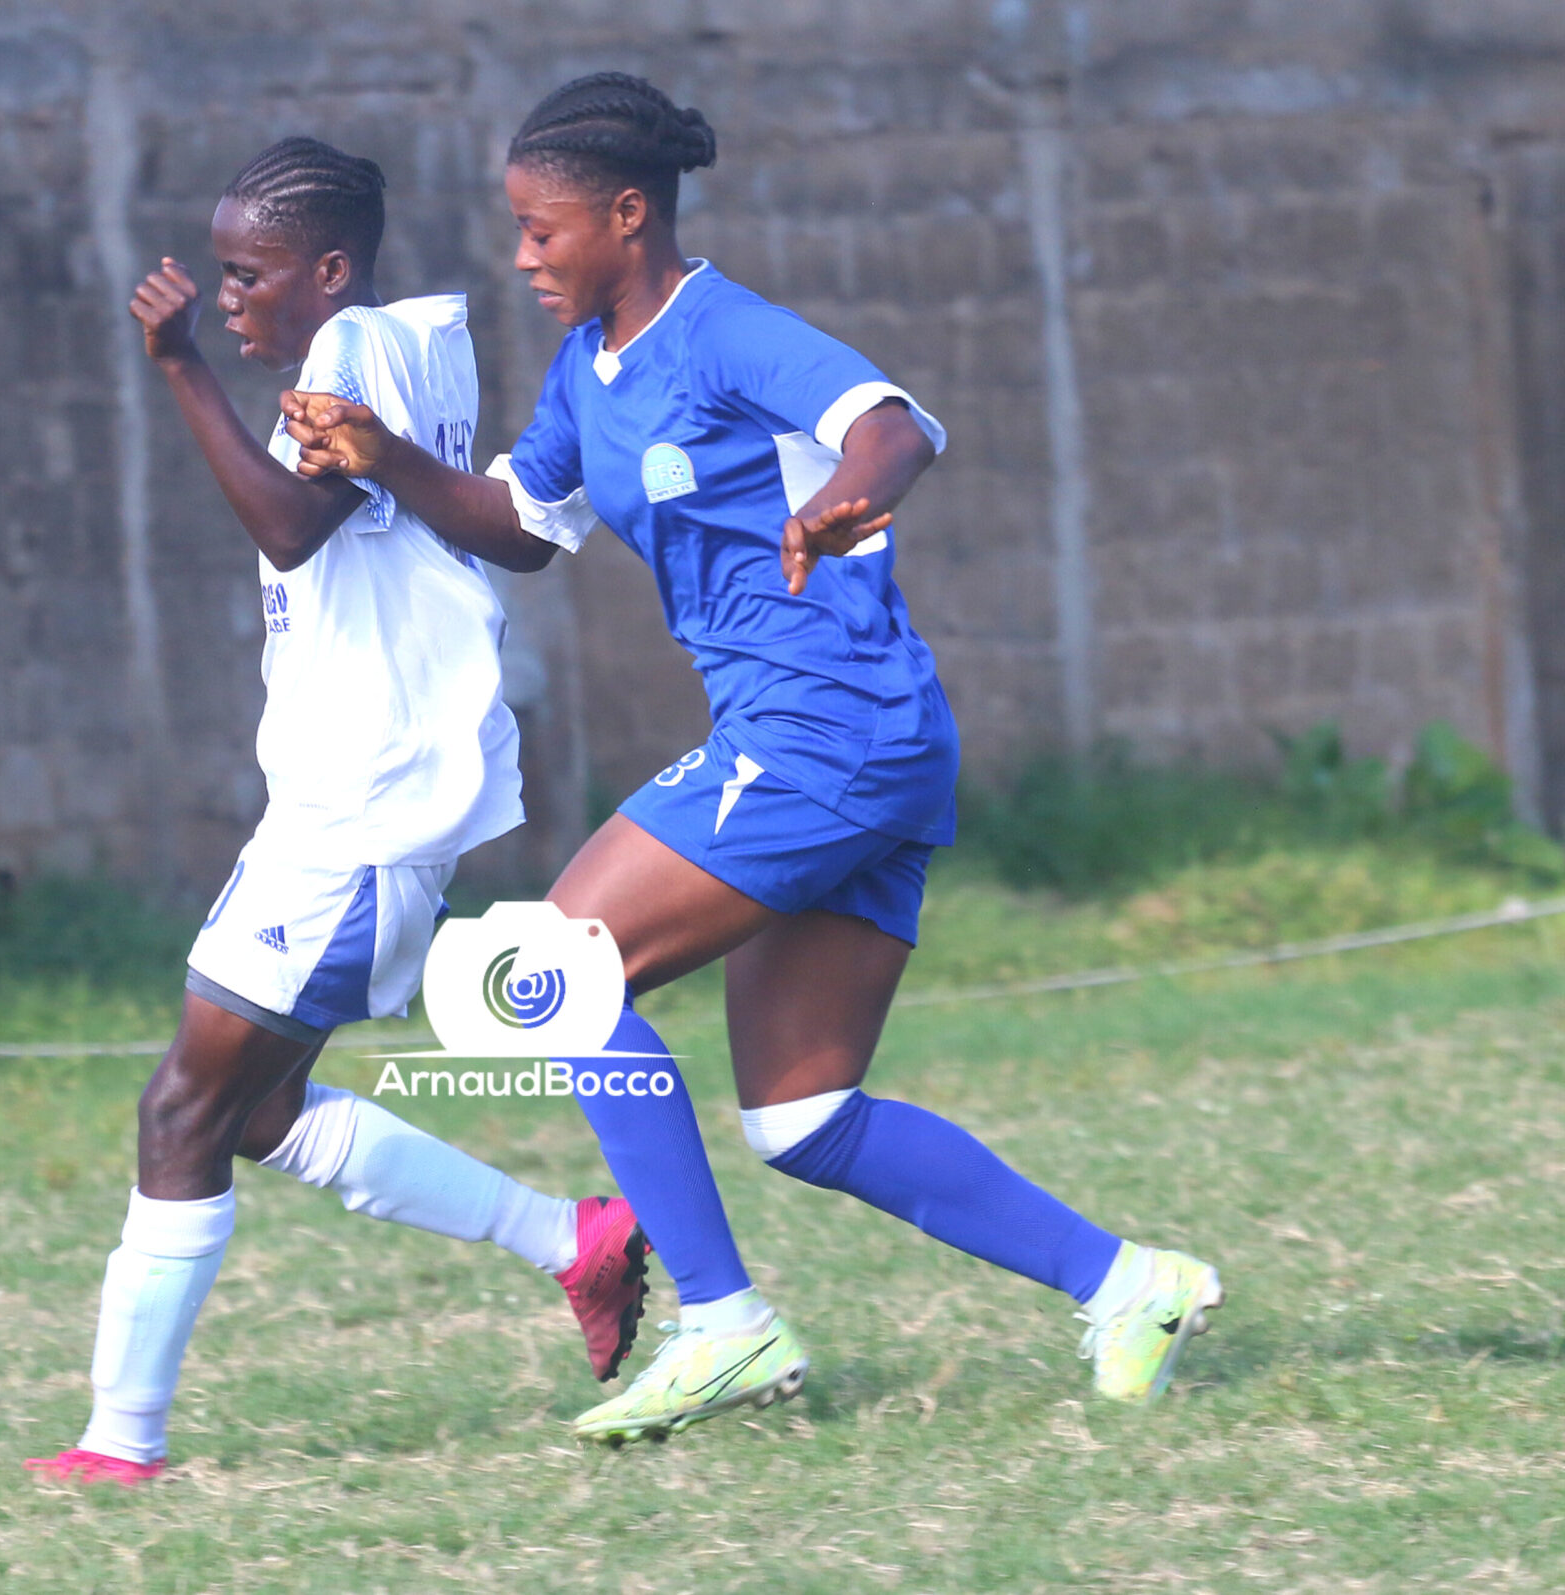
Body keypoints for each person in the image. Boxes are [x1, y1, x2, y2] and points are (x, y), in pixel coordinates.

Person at [285, 74, 1223, 1444]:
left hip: (828, 727)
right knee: (804, 1115)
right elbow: (523, 524)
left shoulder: (723, 332)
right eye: (517, 230)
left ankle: (724, 1324)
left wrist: (851, 497)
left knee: (548, 966)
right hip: (843, 738)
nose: (524, 256)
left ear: (627, 213)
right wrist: (381, 460)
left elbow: (893, 425)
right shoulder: (587, 370)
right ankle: (1133, 1283)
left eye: (543, 230)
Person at [25, 138, 655, 1488]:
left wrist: (180, 364)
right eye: (220, 277)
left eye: (248, 275)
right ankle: (574, 1239)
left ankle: (120, 1443)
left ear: (325, 270)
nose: (228, 297)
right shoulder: (398, 345)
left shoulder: (356, 349)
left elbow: (291, 526)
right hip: (348, 804)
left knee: (182, 1110)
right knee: (255, 1113)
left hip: (357, 815)